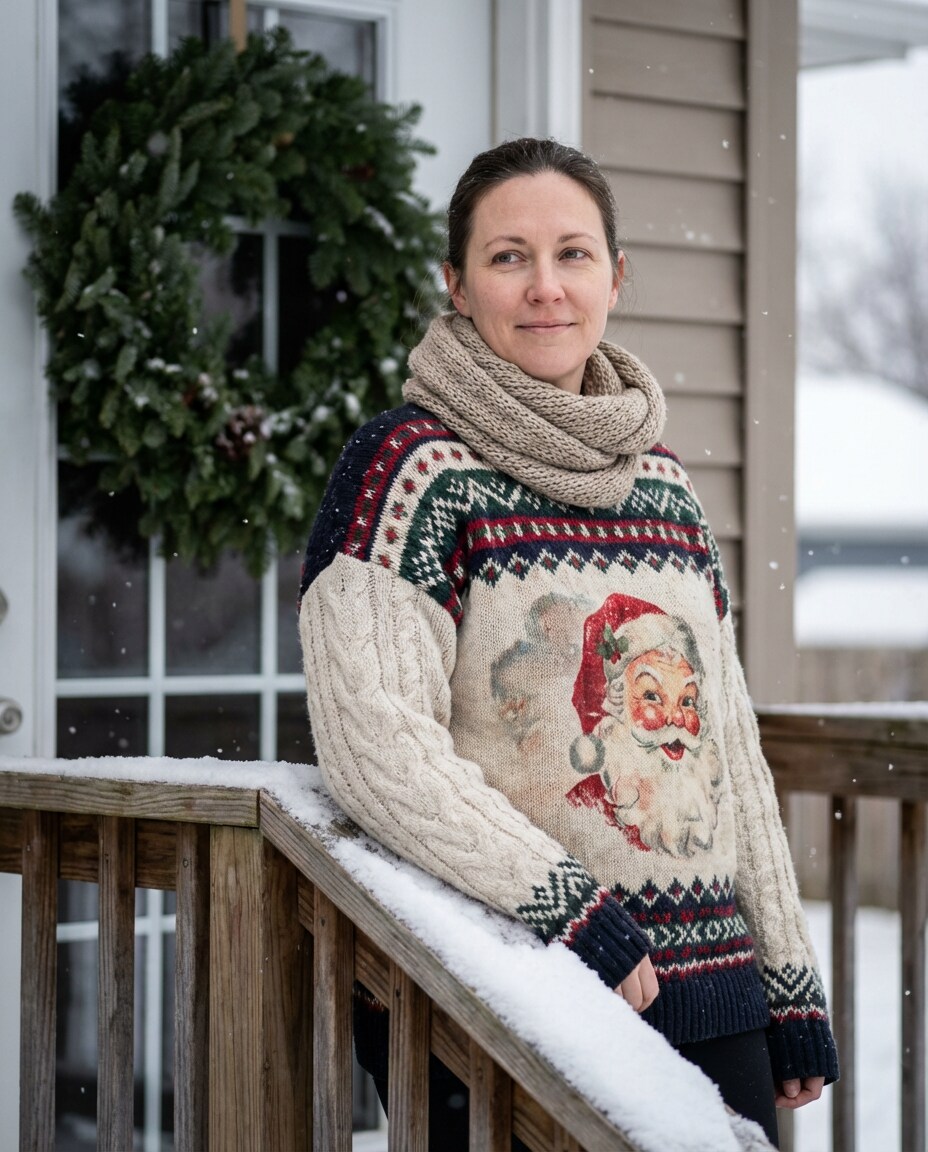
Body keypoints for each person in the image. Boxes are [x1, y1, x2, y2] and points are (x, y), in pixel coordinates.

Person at [299, 137, 837, 1149]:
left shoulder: (665, 486)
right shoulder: (409, 470)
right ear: (456, 283)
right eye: (508, 257)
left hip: (711, 997)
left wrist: (785, 970)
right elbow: (377, 743)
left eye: (573, 254)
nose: (545, 287)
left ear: (615, 277)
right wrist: (567, 909)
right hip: (507, 988)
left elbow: (729, 748)